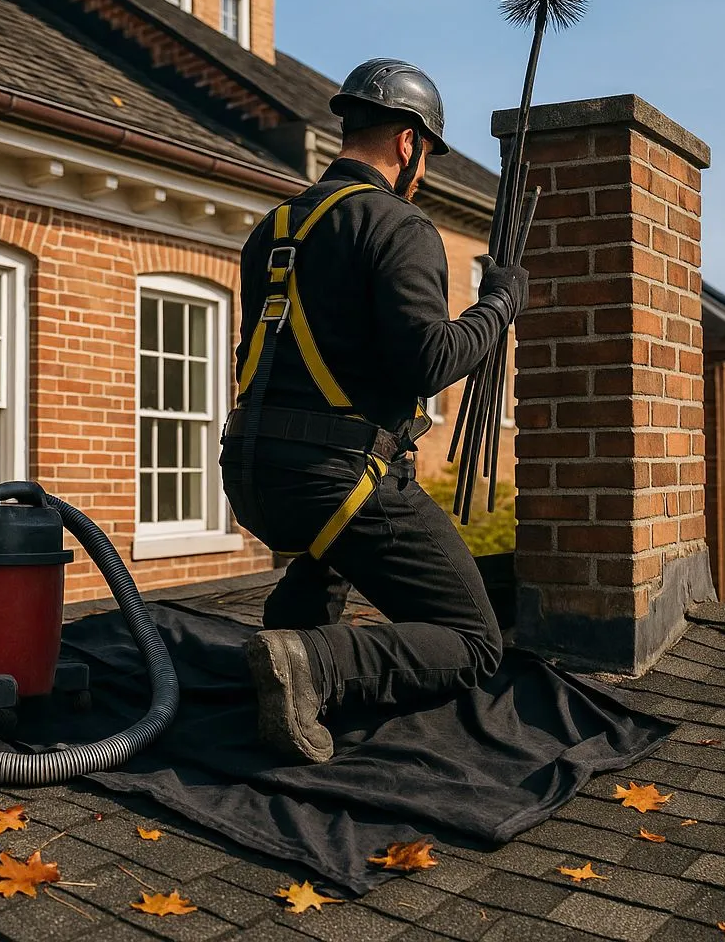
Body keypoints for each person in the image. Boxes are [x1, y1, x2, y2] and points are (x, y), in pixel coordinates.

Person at [219, 58, 529, 763]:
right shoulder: (397, 224)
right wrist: (500, 304)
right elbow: (429, 363)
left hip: (252, 475)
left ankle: (284, 646)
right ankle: (312, 665)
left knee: (330, 556)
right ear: (408, 143)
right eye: (426, 156)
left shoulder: (273, 228)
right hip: (339, 482)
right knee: (475, 640)